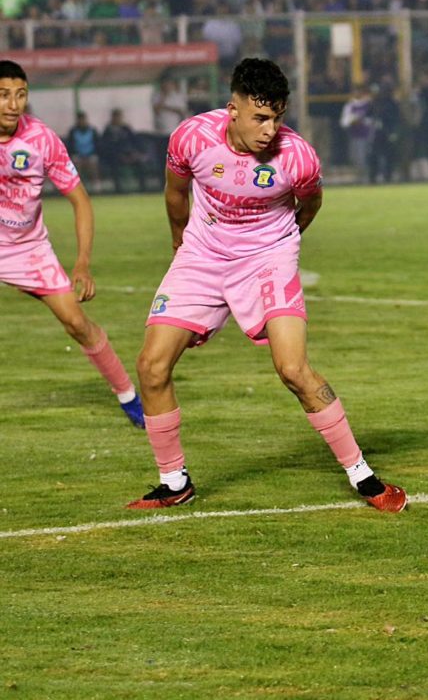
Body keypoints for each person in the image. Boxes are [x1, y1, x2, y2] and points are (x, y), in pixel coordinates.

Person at [128, 58, 406, 512]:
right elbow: (176, 193)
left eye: (278, 117)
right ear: (232, 108)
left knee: (293, 370)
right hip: (202, 254)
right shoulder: (191, 137)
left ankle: (363, 476)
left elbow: (309, 205)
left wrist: (279, 249)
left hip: (267, 258)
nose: (270, 129)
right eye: (260, 117)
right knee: (151, 366)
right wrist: (181, 245)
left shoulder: (297, 156)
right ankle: (173, 481)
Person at [0, 61, 144, 428]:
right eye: (3, 95)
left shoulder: (42, 139)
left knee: (77, 323)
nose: (12, 104)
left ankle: (128, 396)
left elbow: (80, 200)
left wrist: (82, 263)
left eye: (20, 95)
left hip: (29, 249)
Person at [340, 81, 375, 182]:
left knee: (366, 157)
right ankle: (361, 177)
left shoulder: (369, 105)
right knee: (357, 158)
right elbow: (344, 122)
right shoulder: (350, 105)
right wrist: (353, 120)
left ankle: (367, 178)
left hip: (367, 134)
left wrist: (362, 121)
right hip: (355, 135)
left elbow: (372, 119)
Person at [66, 110, 101, 186]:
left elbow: (97, 144)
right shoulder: (73, 132)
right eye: (80, 120)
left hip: (90, 154)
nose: (82, 121)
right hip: (77, 155)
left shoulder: (92, 131)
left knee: (93, 163)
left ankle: (96, 184)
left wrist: (91, 154)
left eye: (83, 119)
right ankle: (77, 184)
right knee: (75, 164)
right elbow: (70, 146)